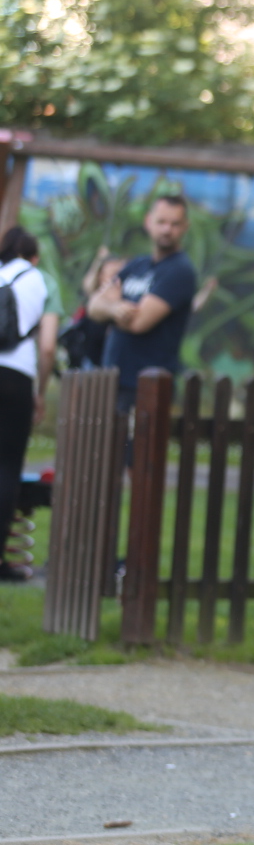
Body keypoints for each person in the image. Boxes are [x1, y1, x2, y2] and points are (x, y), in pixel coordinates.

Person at [88, 193, 197, 414]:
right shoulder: (137, 265)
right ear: (148, 221)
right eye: (162, 222)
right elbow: (93, 306)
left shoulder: (180, 271)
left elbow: (139, 323)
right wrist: (115, 308)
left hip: (147, 386)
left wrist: (110, 306)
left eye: (175, 224)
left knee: (134, 450)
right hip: (112, 378)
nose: (167, 229)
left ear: (186, 226)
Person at [0, 228, 53, 581]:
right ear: (34, 257)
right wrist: (41, 391)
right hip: (15, 377)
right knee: (6, 467)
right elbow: (47, 345)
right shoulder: (39, 279)